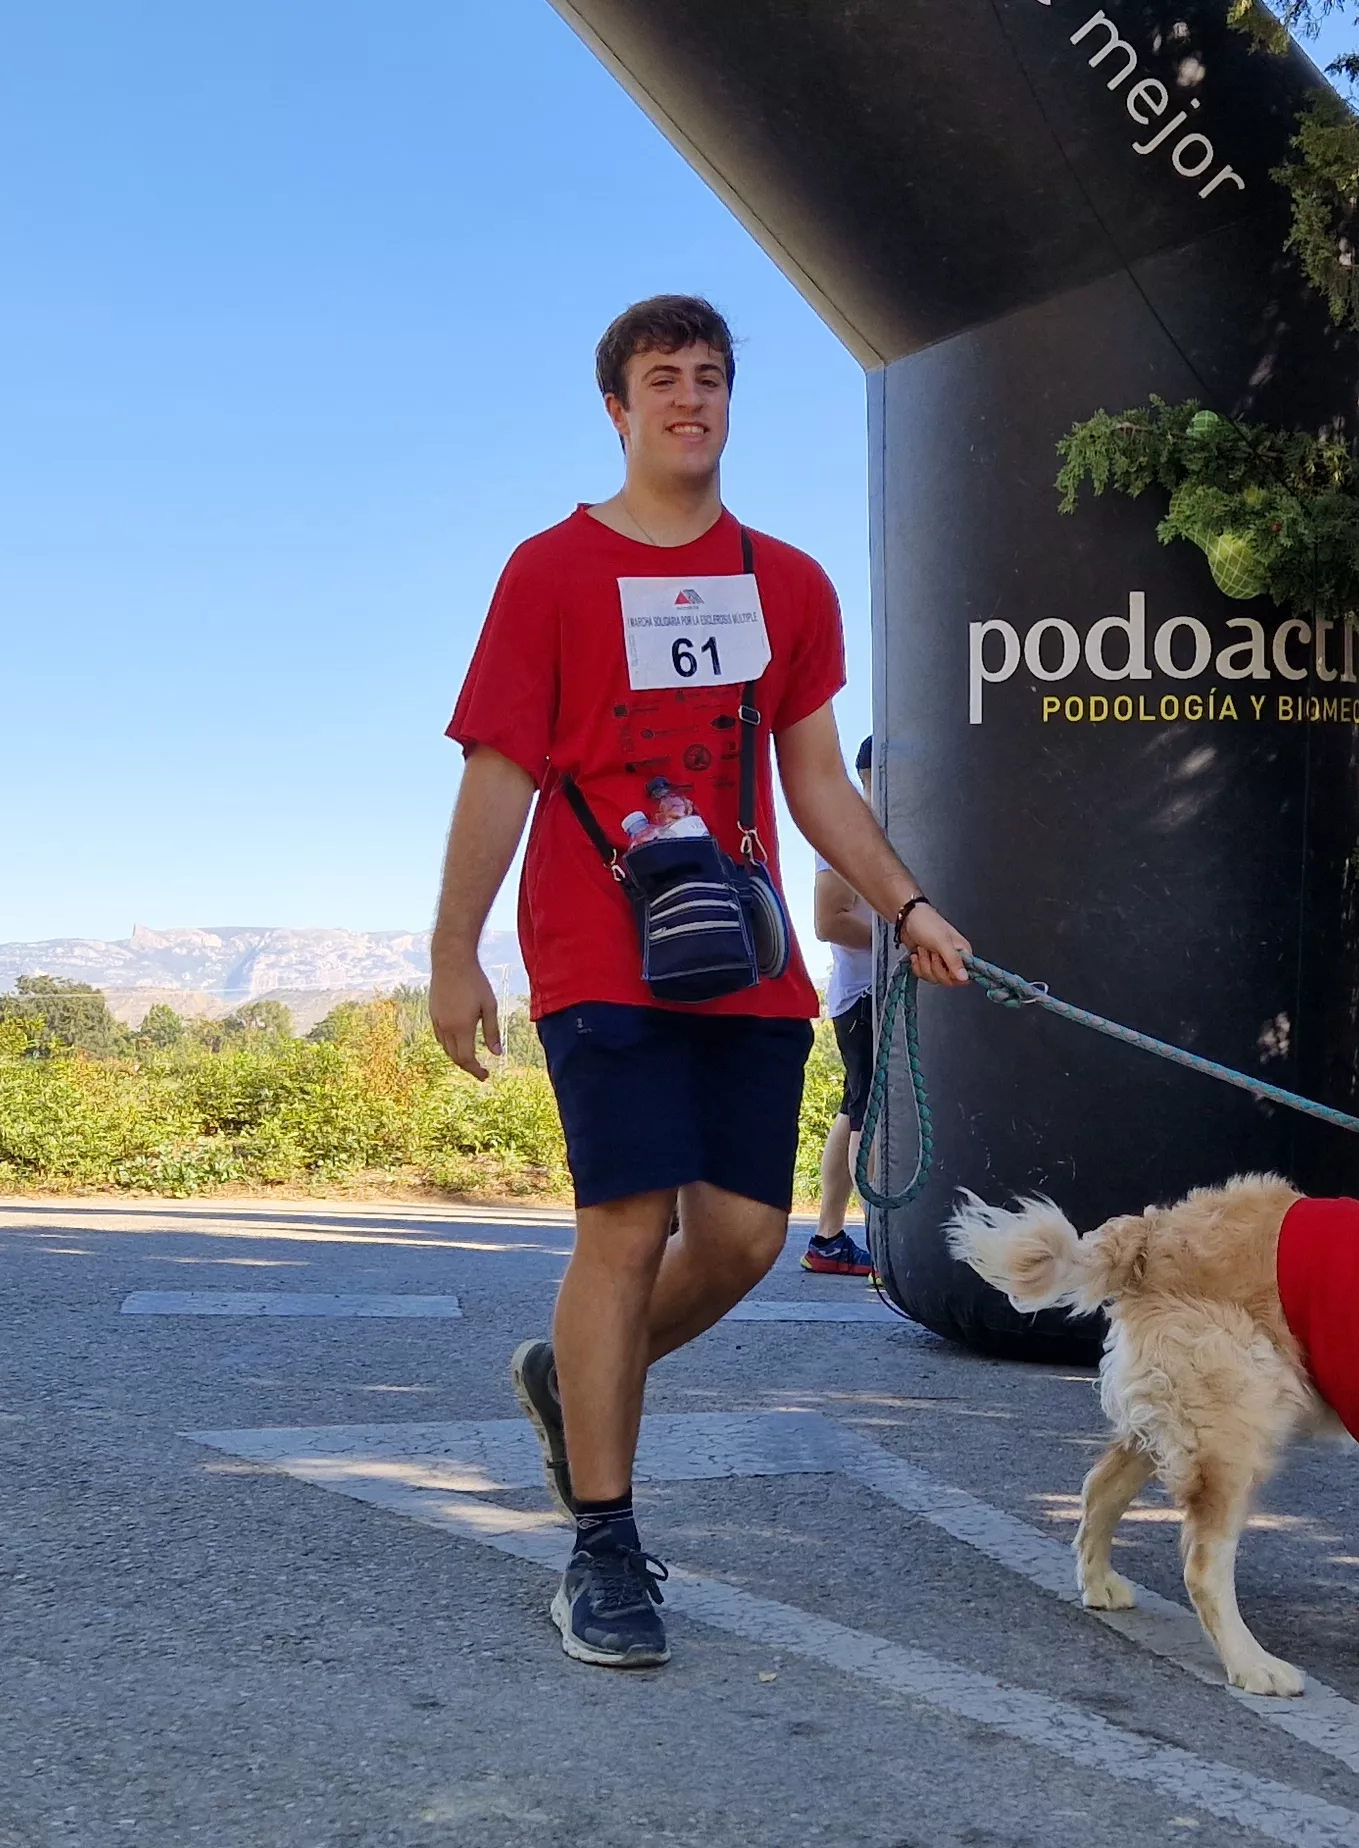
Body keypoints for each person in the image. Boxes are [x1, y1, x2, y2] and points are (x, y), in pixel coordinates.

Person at [430, 295, 971, 1673]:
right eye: (663, 380)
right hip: (597, 945)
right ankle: (604, 1549)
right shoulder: (549, 573)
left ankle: (574, 1377)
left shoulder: (785, 584)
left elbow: (814, 780)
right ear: (617, 410)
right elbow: (498, 769)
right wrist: (454, 951)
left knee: (743, 1240)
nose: (691, 399)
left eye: (712, 378)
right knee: (622, 1227)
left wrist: (906, 902)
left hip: (743, 955)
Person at [803, 761, 885, 1278]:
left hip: (861, 996)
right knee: (870, 1118)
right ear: (868, 775)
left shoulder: (882, 826)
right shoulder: (847, 826)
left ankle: (828, 1238)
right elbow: (828, 921)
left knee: (853, 1111)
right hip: (862, 997)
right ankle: (886, 1244)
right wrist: (903, 942)